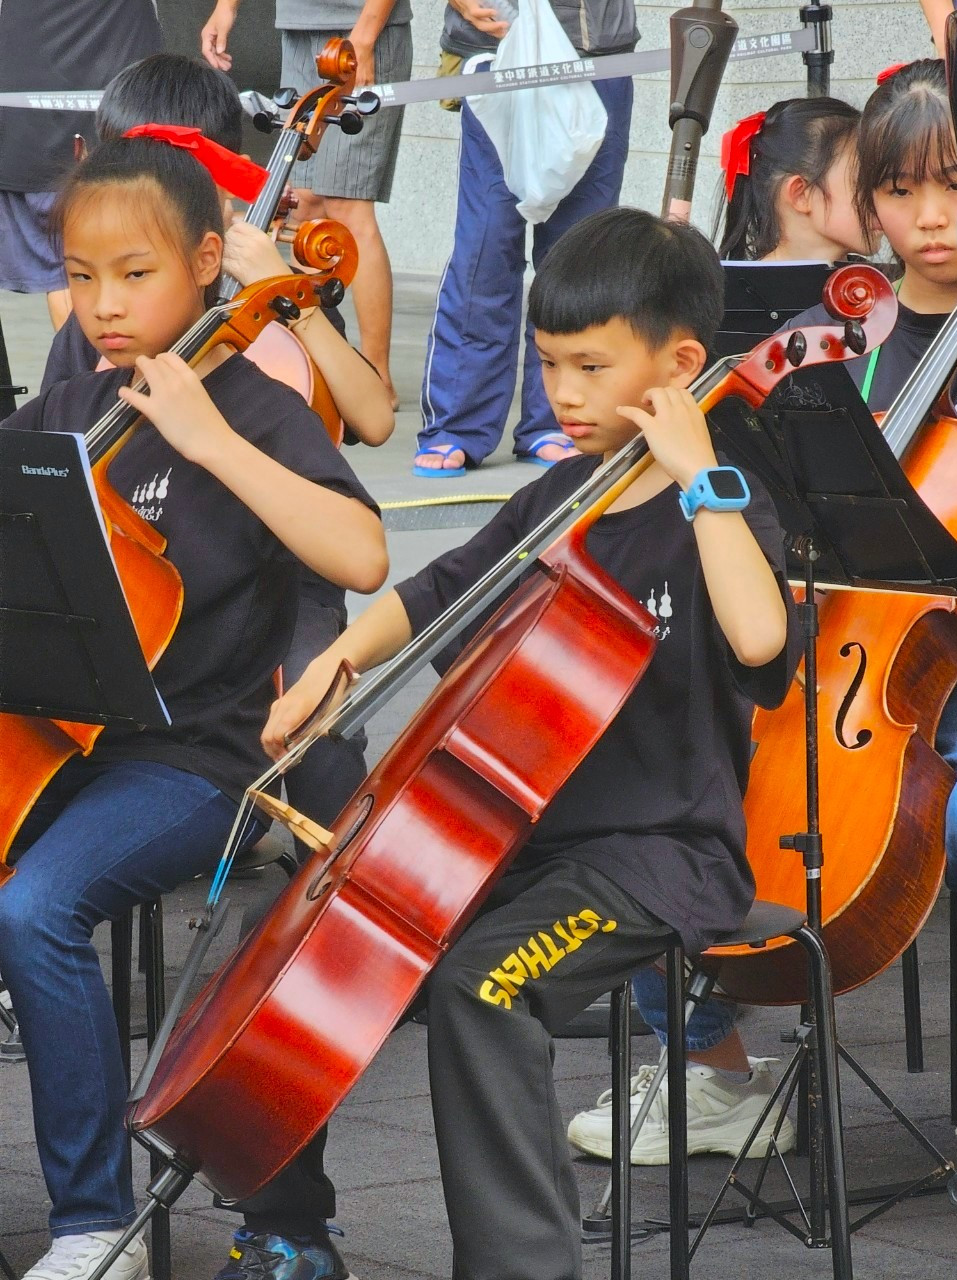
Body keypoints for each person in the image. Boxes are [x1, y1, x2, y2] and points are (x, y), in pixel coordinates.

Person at [261, 205, 802, 1280]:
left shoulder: (726, 505)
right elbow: (438, 590)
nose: (563, 392)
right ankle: (281, 1221)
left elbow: (759, 637)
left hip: (658, 856)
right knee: (310, 935)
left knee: (484, 985)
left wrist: (700, 474)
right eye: (550, 364)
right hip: (523, 842)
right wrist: (338, 662)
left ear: (679, 364)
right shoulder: (557, 497)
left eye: (591, 366)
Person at [0, 130, 387, 1280]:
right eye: (81, 276)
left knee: (36, 907)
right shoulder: (68, 407)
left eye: (135, 274)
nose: (104, 305)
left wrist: (210, 442)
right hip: (56, 736)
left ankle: (94, 1221)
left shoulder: (257, 411)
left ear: (209, 262)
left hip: (200, 757)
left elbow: (363, 553)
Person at [566, 96, 877, 1166]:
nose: (916, 212)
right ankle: (711, 1061)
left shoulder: (875, 320)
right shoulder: (808, 321)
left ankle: (707, 1059)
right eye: (886, 185)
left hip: (839, 629)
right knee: (646, 771)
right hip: (756, 597)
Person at [38, 51, 394, 849]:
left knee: (316, 736)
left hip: (282, 565)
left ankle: (336, 889)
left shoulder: (275, 288)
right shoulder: (101, 330)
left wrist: (292, 302)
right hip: (139, 570)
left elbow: (373, 420)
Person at [773, 57, 957, 887]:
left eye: (955, 187)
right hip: (848, 669)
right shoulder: (830, 337)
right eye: (899, 191)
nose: (930, 218)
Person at [413, 0, 636, 476]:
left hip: (598, 51)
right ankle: (457, 424)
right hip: (495, 49)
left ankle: (559, 419)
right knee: (485, 249)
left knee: (578, 255)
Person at [200, 0, 412, 406]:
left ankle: (376, 377)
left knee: (348, 204)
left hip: (358, 30)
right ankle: (318, 362)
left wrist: (365, 36)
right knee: (307, 204)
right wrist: (226, 7)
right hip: (299, 24)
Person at [0, 0, 162, 330]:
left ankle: (86, 363)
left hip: (49, 101)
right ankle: (86, 364)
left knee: (68, 270)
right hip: (68, 104)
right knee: (85, 266)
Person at [716, 97, 872, 264]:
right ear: (801, 194)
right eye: (863, 183)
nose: (878, 197)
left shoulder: (878, 279)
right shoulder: (741, 281)